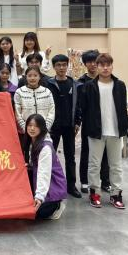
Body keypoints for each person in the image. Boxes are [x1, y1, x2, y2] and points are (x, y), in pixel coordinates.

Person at [78, 53, 128, 209]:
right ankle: (94, 193)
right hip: (96, 132)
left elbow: (123, 109)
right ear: (97, 67)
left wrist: (124, 128)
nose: (105, 68)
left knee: (116, 165)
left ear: (112, 66)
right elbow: (83, 109)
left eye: (108, 65)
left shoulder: (120, 85)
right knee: (94, 165)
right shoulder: (89, 86)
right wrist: (88, 127)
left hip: (115, 131)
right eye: (102, 65)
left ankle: (116, 194)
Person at [46, 54, 82, 198]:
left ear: (67, 66)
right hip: (53, 126)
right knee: (50, 156)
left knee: (70, 157)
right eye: (58, 65)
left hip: (69, 126)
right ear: (54, 67)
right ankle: (49, 184)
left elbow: (78, 105)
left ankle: (71, 186)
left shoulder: (74, 84)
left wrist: (77, 122)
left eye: (64, 65)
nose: (61, 68)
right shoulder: (48, 84)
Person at [77, 49, 110, 194]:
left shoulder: (106, 80)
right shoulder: (80, 83)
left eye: (94, 61)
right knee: (86, 151)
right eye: (89, 62)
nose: (92, 64)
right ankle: (84, 181)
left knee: (106, 152)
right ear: (85, 64)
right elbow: (79, 105)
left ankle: (105, 181)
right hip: (88, 122)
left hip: (106, 122)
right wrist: (78, 121)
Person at [24, 114, 67, 220]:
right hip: (42, 184)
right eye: (30, 125)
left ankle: (57, 206)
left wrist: (39, 197)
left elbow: (44, 173)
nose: (32, 128)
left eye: (36, 126)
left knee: (35, 213)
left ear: (42, 128)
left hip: (52, 187)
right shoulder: (33, 142)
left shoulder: (45, 148)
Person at [14, 66, 55, 163]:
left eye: (35, 75)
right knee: (26, 160)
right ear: (25, 77)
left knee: (43, 158)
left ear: (40, 77)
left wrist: (44, 128)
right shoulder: (19, 92)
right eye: (29, 76)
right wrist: (26, 128)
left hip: (44, 133)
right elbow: (17, 113)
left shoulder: (47, 92)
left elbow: (51, 111)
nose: (32, 78)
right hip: (26, 133)